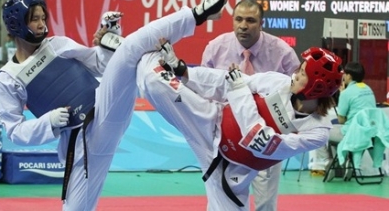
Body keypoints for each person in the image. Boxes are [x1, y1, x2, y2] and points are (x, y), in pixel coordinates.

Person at [0, 0, 228, 211]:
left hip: (104, 110)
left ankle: (196, 14)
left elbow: (101, 64)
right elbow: (15, 131)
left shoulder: (57, 45)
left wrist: (110, 39)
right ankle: (118, 42)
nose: (41, 24)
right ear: (16, 24)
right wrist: (49, 122)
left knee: (129, 51)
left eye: (42, 17)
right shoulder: (9, 77)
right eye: (33, 19)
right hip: (81, 146)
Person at [136, 42, 343, 211]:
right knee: (155, 81)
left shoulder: (317, 132)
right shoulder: (279, 82)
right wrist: (183, 71)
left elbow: (259, 141)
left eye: (303, 73)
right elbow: (228, 81)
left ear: (317, 86)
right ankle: (131, 49)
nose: (296, 74)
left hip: (234, 172)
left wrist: (239, 92)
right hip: (209, 123)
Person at [201, 0, 300, 210]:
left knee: (265, 203)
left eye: (250, 20)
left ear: (261, 23)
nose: (243, 25)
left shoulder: (282, 53)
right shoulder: (215, 49)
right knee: (220, 201)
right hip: (225, 138)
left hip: (267, 139)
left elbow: (298, 94)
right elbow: (203, 90)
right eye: (238, 19)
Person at [319, 62, 376, 181]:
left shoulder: (346, 93)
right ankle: (345, 164)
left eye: (344, 73)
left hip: (353, 134)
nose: (343, 75)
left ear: (349, 76)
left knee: (322, 132)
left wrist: (342, 94)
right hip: (370, 133)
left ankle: (331, 163)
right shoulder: (368, 89)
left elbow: (341, 120)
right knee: (336, 135)